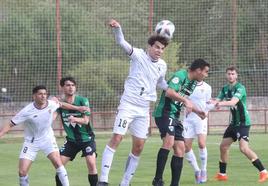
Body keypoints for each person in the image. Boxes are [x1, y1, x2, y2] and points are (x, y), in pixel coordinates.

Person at [97, 19, 179, 186]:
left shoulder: (162, 65)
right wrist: (117, 28)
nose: (159, 51)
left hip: (143, 109)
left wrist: (176, 91)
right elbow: (121, 42)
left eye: (162, 48)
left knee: (139, 147)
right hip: (128, 105)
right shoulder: (138, 55)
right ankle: (103, 180)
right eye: (156, 47)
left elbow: (161, 83)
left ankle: (125, 183)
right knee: (117, 138)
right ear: (150, 46)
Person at [0, 85, 89, 186]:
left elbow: (62, 105)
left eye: (45, 94)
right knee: (22, 172)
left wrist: (78, 108)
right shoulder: (27, 111)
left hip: (47, 139)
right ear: (34, 96)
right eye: (40, 94)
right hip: (31, 142)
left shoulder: (51, 104)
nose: (43, 96)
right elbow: (10, 123)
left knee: (58, 164)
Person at [152, 59, 210, 186]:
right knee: (169, 141)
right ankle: (157, 180)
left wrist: (198, 111)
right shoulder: (180, 75)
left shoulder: (193, 82)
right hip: (165, 113)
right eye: (205, 72)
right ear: (198, 70)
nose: (206, 75)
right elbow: (169, 92)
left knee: (180, 149)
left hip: (175, 116)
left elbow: (185, 99)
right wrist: (185, 101)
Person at [211, 66, 268, 183]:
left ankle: (263, 172)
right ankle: (222, 174)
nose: (231, 76)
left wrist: (219, 104)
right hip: (233, 124)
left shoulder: (240, 88)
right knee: (223, 146)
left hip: (243, 123)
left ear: (236, 75)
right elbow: (217, 99)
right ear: (226, 75)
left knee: (243, 148)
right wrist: (211, 102)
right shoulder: (225, 88)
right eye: (229, 74)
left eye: (233, 74)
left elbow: (233, 102)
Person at [54, 76, 98, 186]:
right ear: (62, 87)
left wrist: (75, 119)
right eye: (68, 85)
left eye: (73, 85)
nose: (71, 87)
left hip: (87, 139)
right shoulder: (59, 104)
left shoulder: (83, 100)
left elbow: (86, 121)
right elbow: (52, 116)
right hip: (71, 141)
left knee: (91, 163)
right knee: (59, 166)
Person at [183, 80, 212, 184]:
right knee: (186, 146)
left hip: (201, 118)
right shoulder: (187, 85)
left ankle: (204, 170)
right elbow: (183, 99)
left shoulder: (207, 87)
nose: (205, 74)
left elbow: (208, 103)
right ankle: (197, 170)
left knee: (201, 143)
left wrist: (207, 111)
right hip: (188, 119)